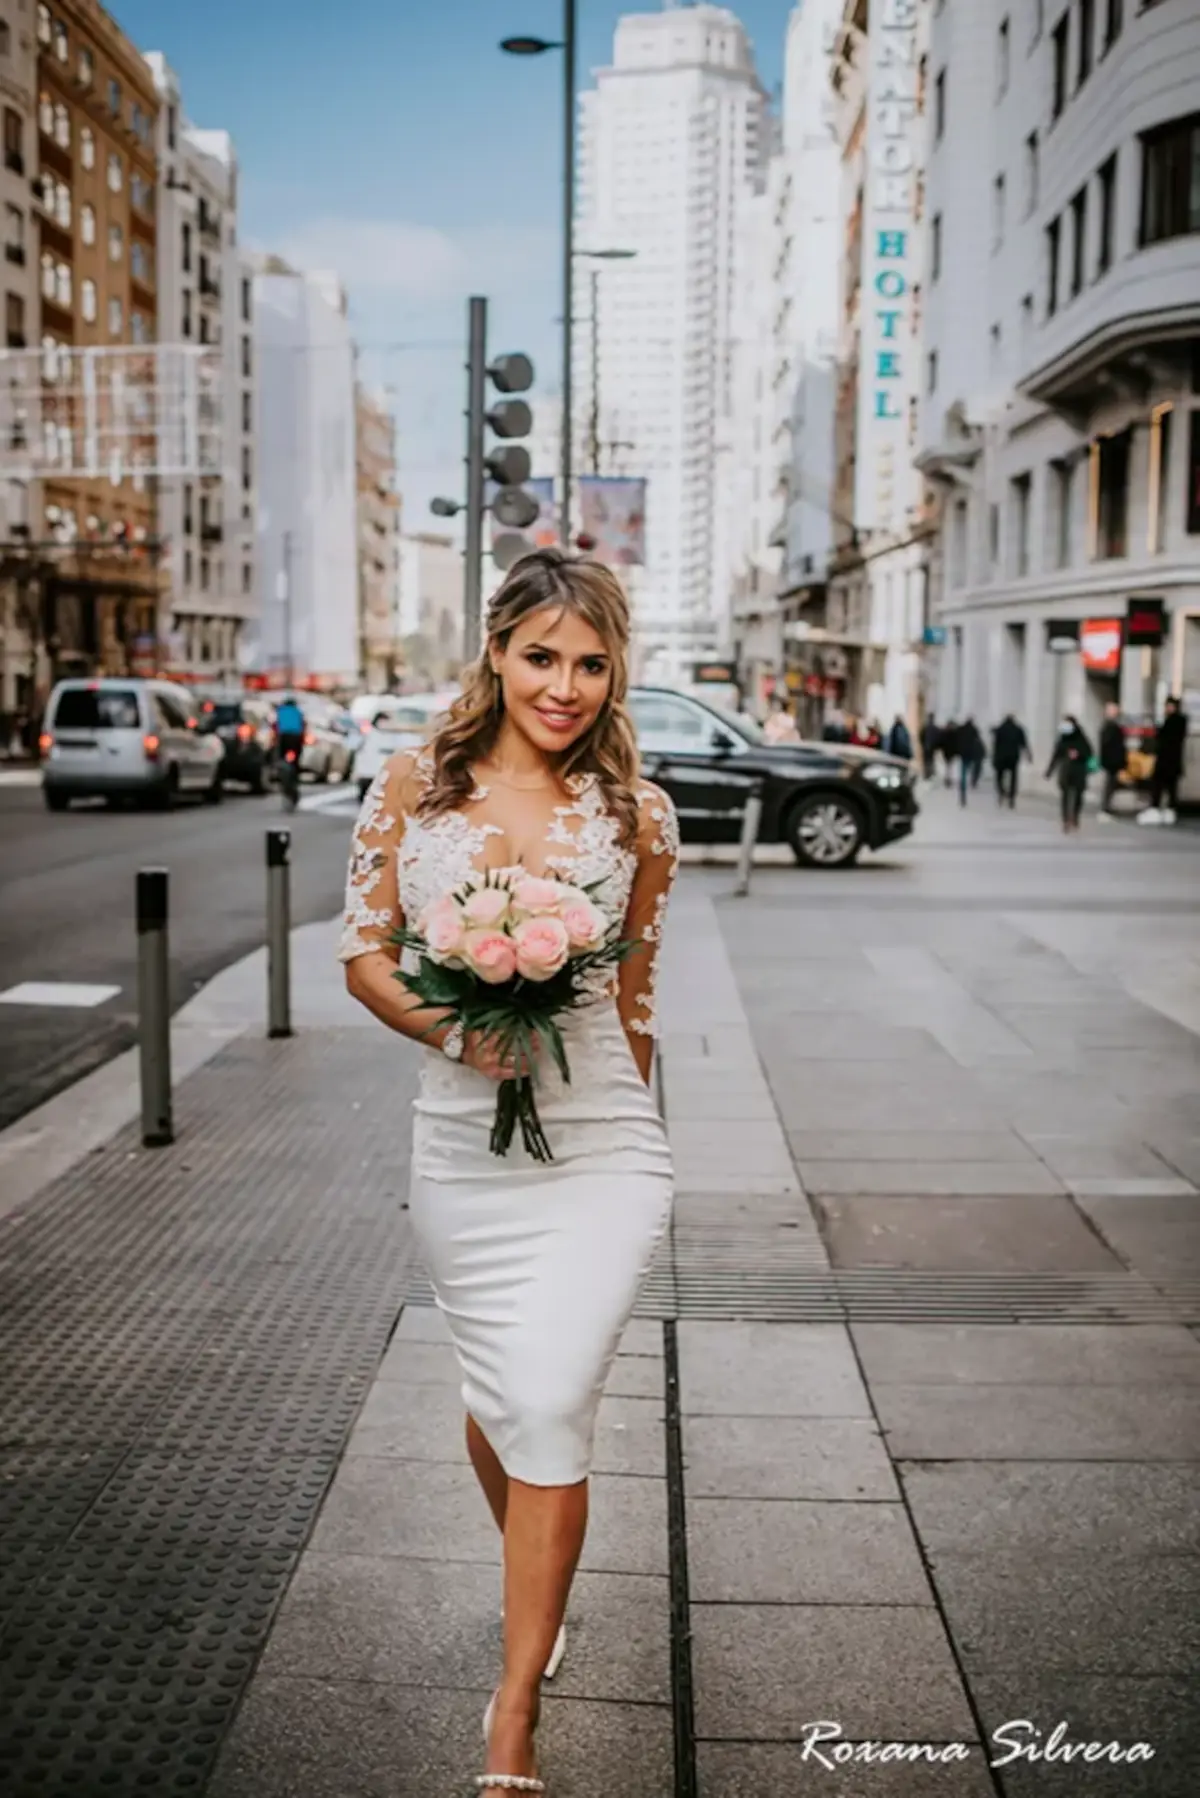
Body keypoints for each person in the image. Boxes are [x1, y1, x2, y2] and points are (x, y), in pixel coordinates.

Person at [338, 548, 679, 1794]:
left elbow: (636, 1000)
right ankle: (541, 1589)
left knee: (544, 1403)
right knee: (504, 1399)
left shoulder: (637, 812)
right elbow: (365, 954)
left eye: (592, 663)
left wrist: (646, 1141)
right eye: (544, 656)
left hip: (601, 1143)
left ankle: (514, 1713)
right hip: (462, 1145)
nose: (568, 685)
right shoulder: (416, 786)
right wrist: (456, 1027)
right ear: (496, 651)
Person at [1139, 697, 1188, 826]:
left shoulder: (1176, 721)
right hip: (1170, 761)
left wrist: (1158, 730)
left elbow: (1163, 737)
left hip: (1167, 761)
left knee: (1162, 786)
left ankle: (1159, 809)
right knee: (1168, 787)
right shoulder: (1176, 721)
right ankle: (1168, 810)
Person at [1046, 713, 1093, 833]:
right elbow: (1056, 755)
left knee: (1078, 795)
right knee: (1065, 795)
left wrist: (1078, 754)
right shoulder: (1062, 739)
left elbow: (1089, 752)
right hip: (1066, 771)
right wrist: (1049, 771)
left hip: (1079, 770)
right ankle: (1066, 819)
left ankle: (1075, 816)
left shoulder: (1081, 738)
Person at [992, 713, 1031, 809]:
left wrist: (994, 757)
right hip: (1013, 757)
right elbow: (1024, 743)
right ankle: (1012, 798)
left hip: (1001, 757)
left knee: (999, 776)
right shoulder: (1018, 729)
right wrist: (1028, 754)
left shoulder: (1000, 729)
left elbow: (995, 744)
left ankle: (1001, 792)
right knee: (1014, 777)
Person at [1098, 701, 1127, 819]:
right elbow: (1110, 746)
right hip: (1112, 761)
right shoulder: (1109, 727)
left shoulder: (1112, 726)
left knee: (1111, 784)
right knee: (1110, 784)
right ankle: (1106, 808)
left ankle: (1107, 807)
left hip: (1113, 761)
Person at [955, 718, 986, 806]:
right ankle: (972, 780)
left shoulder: (960, 730)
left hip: (963, 754)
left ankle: (963, 790)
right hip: (971, 754)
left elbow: (957, 740)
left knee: (963, 772)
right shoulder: (974, 730)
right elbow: (978, 741)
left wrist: (958, 750)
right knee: (972, 768)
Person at [938, 718, 959, 788]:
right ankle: (948, 779)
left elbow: (941, 742)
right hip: (949, 752)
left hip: (947, 752)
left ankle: (948, 779)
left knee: (948, 766)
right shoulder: (954, 733)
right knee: (949, 766)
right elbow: (956, 743)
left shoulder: (945, 732)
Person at [920, 713, 940, 782]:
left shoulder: (926, 727)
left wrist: (923, 744)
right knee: (930, 760)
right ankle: (929, 773)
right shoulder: (934, 728)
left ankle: (927, 773)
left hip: (927, 747)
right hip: (931, 747)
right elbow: (938, 738)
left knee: (927, 761)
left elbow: (921, 736)